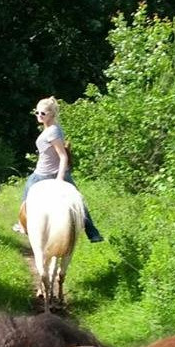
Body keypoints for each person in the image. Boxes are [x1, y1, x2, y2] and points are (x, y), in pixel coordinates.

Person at [13, 96, 104, 242]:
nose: (39, 116)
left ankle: (21, 224)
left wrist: (60, 178)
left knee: (27, 197)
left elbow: (63, 156)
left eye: (43, 113)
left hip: (44, 174)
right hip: (51, 171)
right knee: (78, 202)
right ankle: (92, 233)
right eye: (37, 113)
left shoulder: (52, 132)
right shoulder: (51, 128)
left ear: (52, 114)